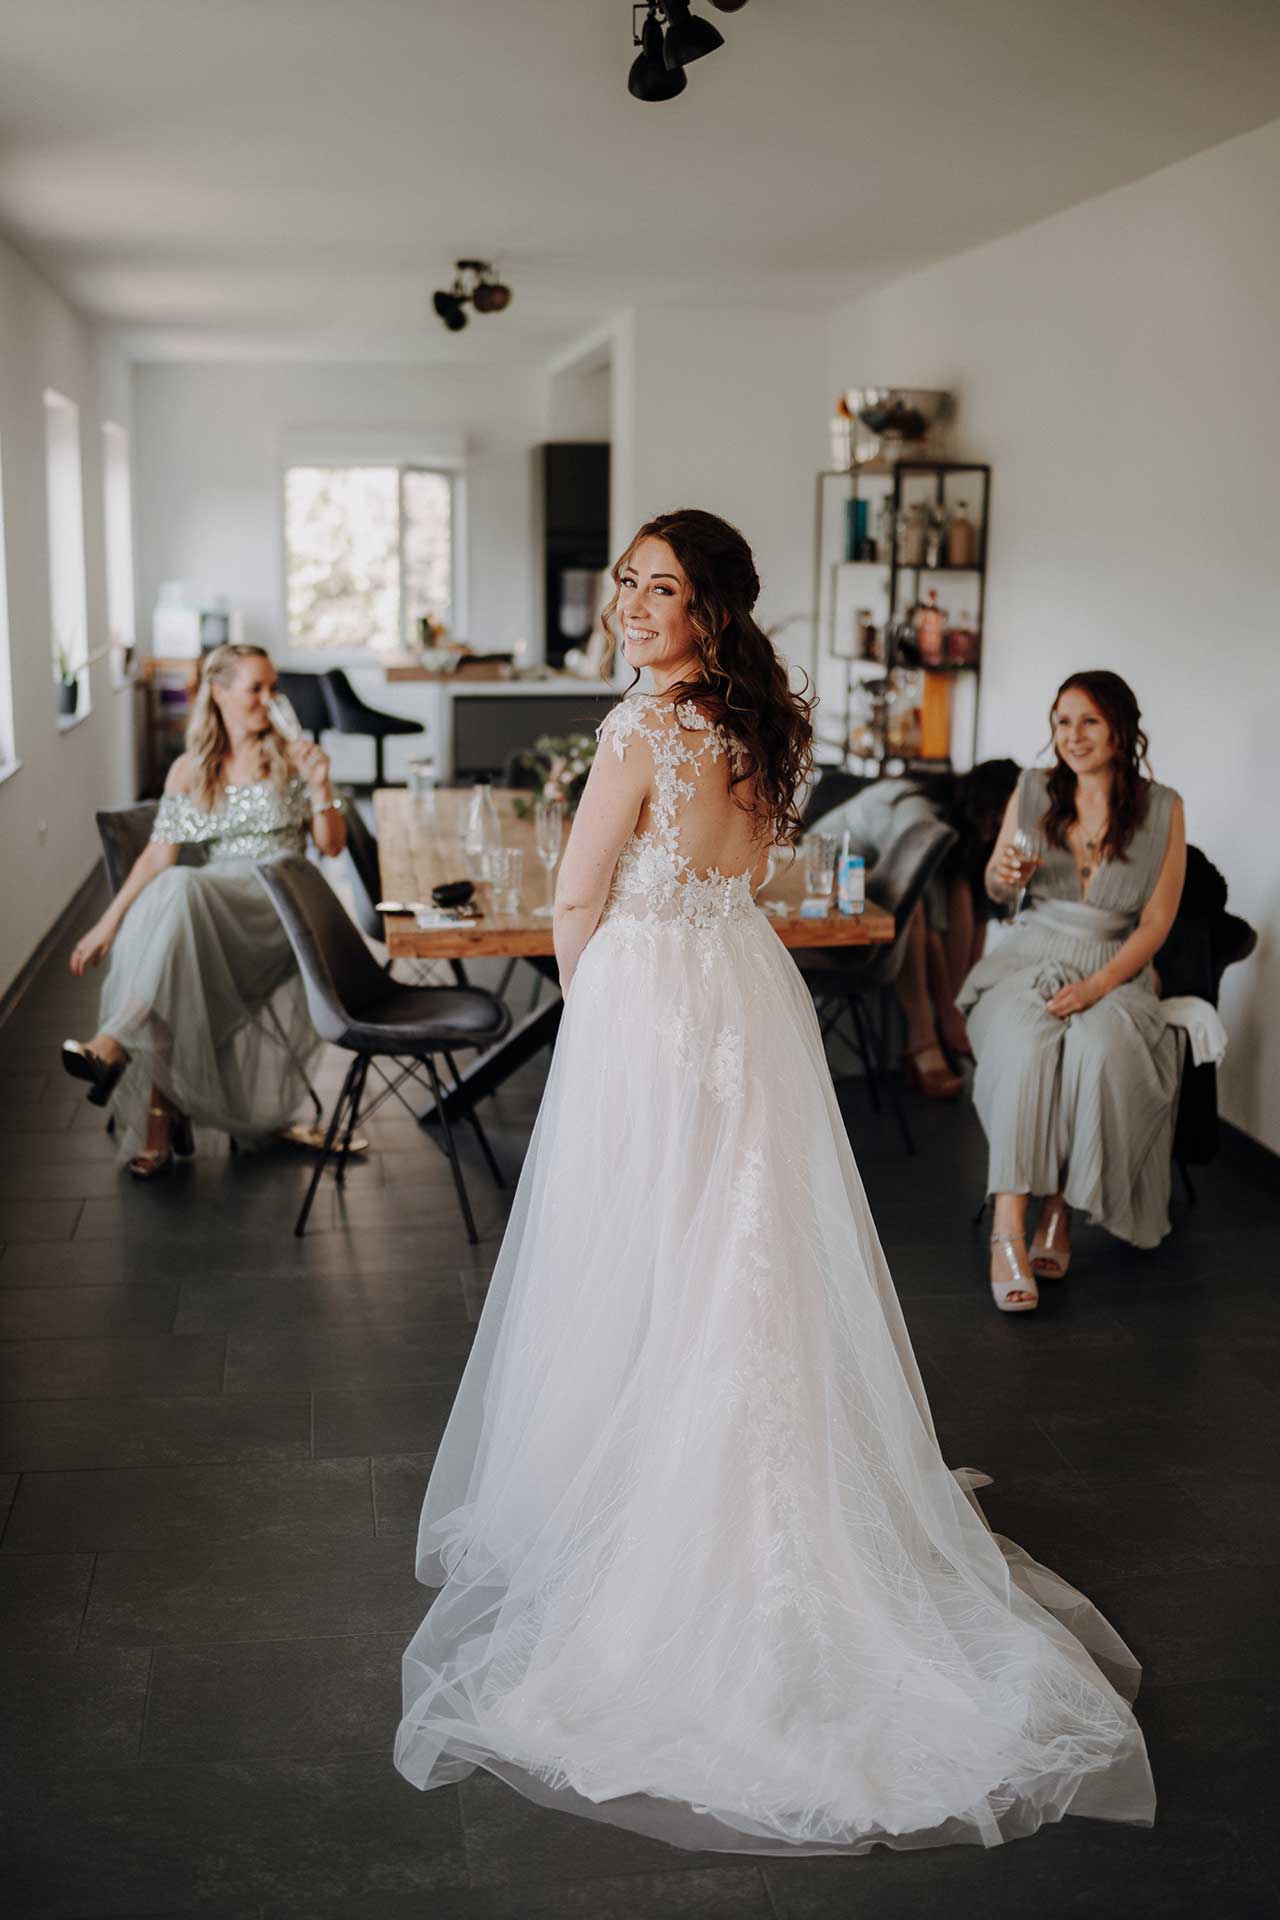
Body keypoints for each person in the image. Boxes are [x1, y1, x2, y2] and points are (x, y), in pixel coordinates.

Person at [394, 511, 1154, 1856]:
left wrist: (605, 1028)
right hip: (746, 992)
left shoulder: (638, 731)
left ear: (713, 611)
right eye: (628, 585)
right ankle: (781, 1490)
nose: (633, 607)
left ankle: (668, 1525)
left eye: (660, 590)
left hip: (655, 1000)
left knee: (656, 1253)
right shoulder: (761, 727)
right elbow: (742, 873)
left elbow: (578, 901)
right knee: (751, 1248)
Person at [61, 643, 346, 1176]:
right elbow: (156, 856)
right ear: (219, 694)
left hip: (279, 904)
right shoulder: (190, 770)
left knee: (182, 892)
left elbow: (331, 847)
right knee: (176, 917)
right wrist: (106, 923)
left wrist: (321, 785)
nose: (270, 699)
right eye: (255, 688)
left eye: (272, 687)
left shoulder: (293, 756)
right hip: (215, 909)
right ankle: (149, 1109)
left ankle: (117, 1048)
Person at [958, 671, 1186, 1311]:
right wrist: (1003, 877)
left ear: (1122, 727)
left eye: (1088, 721)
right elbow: (1000, 893)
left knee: (1099, 1048)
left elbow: (1157, 922)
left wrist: (1097, 987)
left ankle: (1059, 1210)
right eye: (1062, 722)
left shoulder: (1164, 807)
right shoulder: (1032, 790)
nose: (1073, 736)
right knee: (1027, 1047)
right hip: (1033, 947)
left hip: (1117, 961)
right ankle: (1009, 1225)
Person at [811, 761, 1019, 1096]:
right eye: (996, 819)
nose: (996, 831)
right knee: (916, 911)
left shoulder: (947, 817)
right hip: (826, 869)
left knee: (964, 889)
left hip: (871, 876)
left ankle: (958, 1011)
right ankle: (929, 1037)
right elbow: (905, 888)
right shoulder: (917, 813)